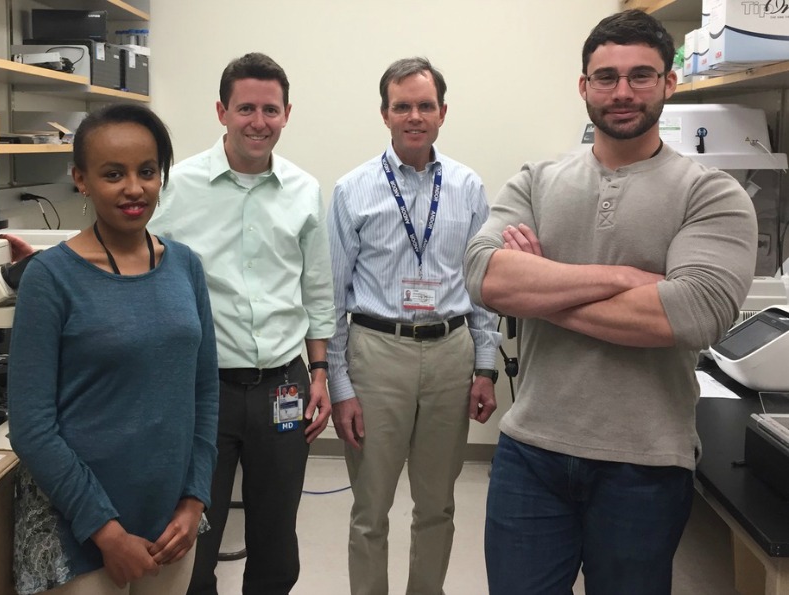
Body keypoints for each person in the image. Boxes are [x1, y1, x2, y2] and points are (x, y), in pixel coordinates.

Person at [464, 9, 758, 595]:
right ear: (584, 86)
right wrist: (631, 278)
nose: (622, 92)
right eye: (606, 77)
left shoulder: (712, 193)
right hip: (531, 452)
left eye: (641, 75)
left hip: (645, 462)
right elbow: (484, 277)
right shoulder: (536, 179)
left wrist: (542, 284)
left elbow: (695, 312)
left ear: (669, 83)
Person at [7, 103, 219, 595]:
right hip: (77, 529)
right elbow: (32, 427)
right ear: (80, 179)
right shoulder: (50, 278)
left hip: (170, 524)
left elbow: (205, 393)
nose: (134, 188)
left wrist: (195, 501)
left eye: (147, 172)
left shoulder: (185, 267)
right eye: (112, 174)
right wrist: (105, 530)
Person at [148, 52, 335, 595]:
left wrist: (319, 372)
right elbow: (137, 258)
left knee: (276, 537)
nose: (259, 121)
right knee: (195, 535)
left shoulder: (303, 190)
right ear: (221, 112)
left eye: (270, 110)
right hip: (204, 388)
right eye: (246, 108)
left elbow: (316, 290)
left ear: (287, 113)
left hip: (283, 383)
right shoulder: (178, 187)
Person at [327, 57, 501, 595]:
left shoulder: (469, 187)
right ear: (385, 114)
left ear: (442, 113)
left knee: (438, 504)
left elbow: (482, 284)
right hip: (377, 352)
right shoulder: (352, 189)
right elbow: (333, 294)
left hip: (450, 354)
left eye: (425, 105)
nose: (414, 116)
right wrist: (339, 384)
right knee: (370, 508)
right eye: (402, 106)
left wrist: (486, 366)